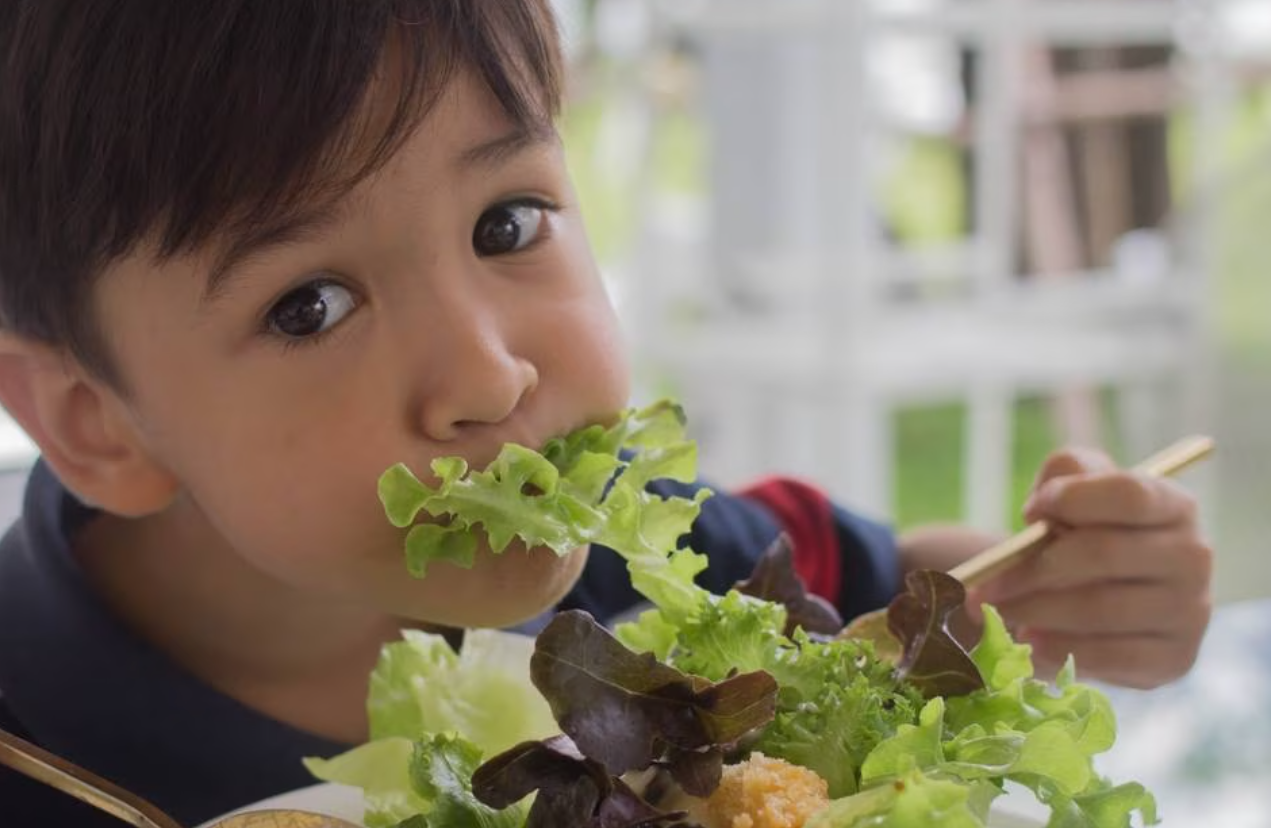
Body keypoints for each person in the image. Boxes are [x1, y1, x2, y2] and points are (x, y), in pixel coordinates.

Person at [0, 2, 1212, 826]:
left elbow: (885, 601)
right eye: (309, 305)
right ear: (96, 419)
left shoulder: (660, 569)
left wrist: (1059, 594)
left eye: (506, 225)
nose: (487, 378)